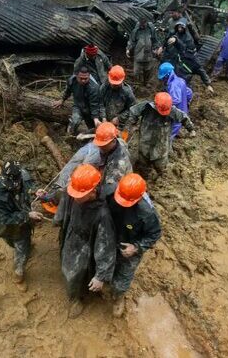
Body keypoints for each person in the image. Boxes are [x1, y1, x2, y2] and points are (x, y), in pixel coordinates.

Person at [58, 164, 116, 318]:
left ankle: (77, 298)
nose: (75, 197)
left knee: (77, 273)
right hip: (71, 234)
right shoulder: (76, 194)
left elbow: (106, 247)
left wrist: (101, 276)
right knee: (67, 266)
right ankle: (77, 293)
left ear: (93, 191)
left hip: (86, 245)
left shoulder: (102, 214)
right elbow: (63, 196)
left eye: (79, 194)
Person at [108, 173, 162, 317]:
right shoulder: (114, 191)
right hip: (112, 235)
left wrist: (136, 247)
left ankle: (118, 297)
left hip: (130, 244)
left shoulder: (147, 213)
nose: (121, 202)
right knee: (104, 264)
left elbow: (155, 234)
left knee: (122, 278)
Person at [0, 161, 44, 291]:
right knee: (19, 247)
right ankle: (18, 275)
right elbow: (4, 218)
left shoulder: (22, 174)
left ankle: (25, 245)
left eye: (17, 184)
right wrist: (27, 216)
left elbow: (28, 186)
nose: (15, 187)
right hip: (6, 225)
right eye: (12, 186)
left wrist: (35, 191)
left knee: (23, 242)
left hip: (22, 216)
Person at [52, 122, 132, 203]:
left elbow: (109, 190)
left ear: (113, 141)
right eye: (100, 144)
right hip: (103, 165)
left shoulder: (118, 164)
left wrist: (90, 193)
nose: (100, 147)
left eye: (104, 145)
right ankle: (61, 188)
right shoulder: (107, 146)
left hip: (113, 185)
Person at [127, 92, 196, 175]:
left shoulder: (172, 111)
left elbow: (183, 117)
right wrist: (133, 123)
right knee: (143, 166)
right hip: (145, 144)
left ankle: (160, 177)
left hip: (161, 147)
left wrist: (191, 129)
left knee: (162, 169)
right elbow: (133, 111)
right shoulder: (146, 107)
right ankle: (144, 176)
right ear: (155, 104)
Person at [54, 67, 104, 135]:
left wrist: (95, 118)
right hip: (78, 106)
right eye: (81, 78)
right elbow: (68, 91)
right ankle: (69, 136)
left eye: (85, 78)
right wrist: (62, 100)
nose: (83, 80)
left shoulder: (94, 88)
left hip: (89, 109)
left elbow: (94, 104)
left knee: (93, 128)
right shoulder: (72, 80)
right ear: (76, 76)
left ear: (89, 76)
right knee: (75, 121)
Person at [158, 63, 193, 138]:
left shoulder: (173, 85)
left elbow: (176, 100)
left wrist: (163, 103)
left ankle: (168, 142)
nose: (162, 79)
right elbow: (189, 92)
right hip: (183, 109)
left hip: (177, 112)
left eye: (163, 77)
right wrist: (188, 101)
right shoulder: (180, 80)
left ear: (167, 75)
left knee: (171, 130)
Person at [127, 18, 158, 86]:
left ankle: (146, 83)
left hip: (148, 54)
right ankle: (137, 84)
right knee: (136, 72)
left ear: (146, 22)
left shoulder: (151, 29)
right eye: (141, 23)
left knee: (148, 70)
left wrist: (156, 48)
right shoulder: (135, 31)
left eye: (144, 23)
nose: (142, 25)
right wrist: (128, 49)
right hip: (138, 54)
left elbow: (155, 40)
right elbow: (131, 41)